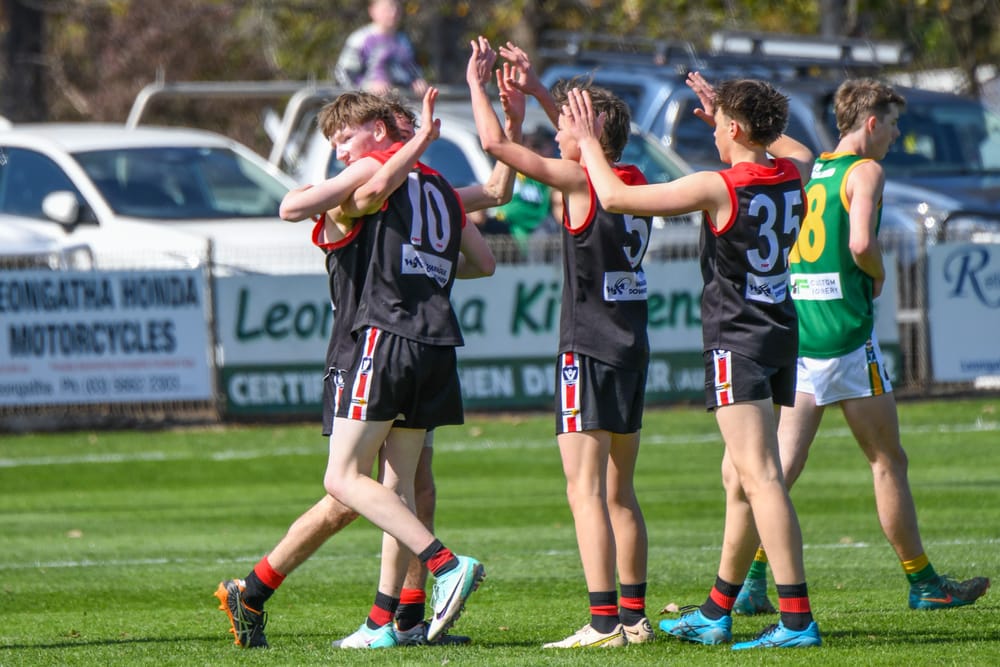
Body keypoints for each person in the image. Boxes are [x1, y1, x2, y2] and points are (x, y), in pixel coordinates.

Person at [215, 59, 523, 650]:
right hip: (426, 340)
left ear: (382, 131)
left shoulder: (392, 183)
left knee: (359, 484)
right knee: (390, 488)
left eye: (343, 140)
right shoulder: (421, 187)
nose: (338, 153)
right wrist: (505, 122)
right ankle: (357, 613)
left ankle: (423, 585)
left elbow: (337, 197)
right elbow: (485, 234)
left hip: (375, 341)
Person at [563, 73, 822, 650]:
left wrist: (584, 140)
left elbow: (614, 198)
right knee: (740, 478)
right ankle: (717, 608)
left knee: (759, 476)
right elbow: (799, 149)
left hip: (739, 338)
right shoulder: (790, 172)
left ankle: (797, 619)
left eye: (720, 122)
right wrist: (745, 127)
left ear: (733, 128)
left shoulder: (717, 186)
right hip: (780, 330)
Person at [730, 78, 991, 617]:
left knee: (775, 473)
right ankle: (923, 584)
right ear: (871, 123)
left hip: (802, 336)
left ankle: (752, 583)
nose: (895, 136)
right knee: (887, 460)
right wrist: (876, 274)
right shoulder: (865, 171)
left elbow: (770, 139)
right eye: (893, 124)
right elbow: (860, 244)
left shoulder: (813, 167)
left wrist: (720, 105)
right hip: (846, 339)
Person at [469, 36, 654, 649]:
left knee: (584, 492)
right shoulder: (633, 179)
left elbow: (496, 146)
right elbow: (578, 147)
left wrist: (482, 90)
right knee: (620, 490)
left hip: (588, 348)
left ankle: (602, 625)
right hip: (631, 348)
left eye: (567, 123)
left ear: (591, 130)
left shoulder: (580, 181)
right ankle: (633, 616)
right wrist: (540, 93)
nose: (557, 134)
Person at [493, 128, 561, 262]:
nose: (535, 151)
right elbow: (506, 211)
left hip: (541, 239)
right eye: (531, 146)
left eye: (539, 147)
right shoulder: (514, 173)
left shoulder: (550, 178)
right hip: (509, 237)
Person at [333, 0, 428, 96]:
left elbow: (413, 71)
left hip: (400, 104)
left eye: (397, 8)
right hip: (368, 105)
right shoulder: (359, 39)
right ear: (372, 11)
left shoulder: (404, 41)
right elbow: (343, 74)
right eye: (387, 8)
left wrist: (417, 81)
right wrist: (367, 87)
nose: (393, 12)